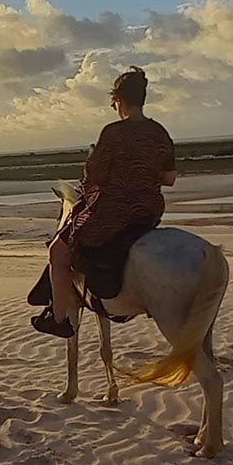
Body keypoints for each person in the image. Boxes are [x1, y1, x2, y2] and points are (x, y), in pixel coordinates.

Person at [32, 66, 176, 337]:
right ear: (142, 98)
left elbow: (93, 177)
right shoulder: (160, 132)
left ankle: (60, 318)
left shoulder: (112, 133)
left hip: (114, 213)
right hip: (148, 213)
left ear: (118, 100)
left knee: (57, 250)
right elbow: (169, 178)